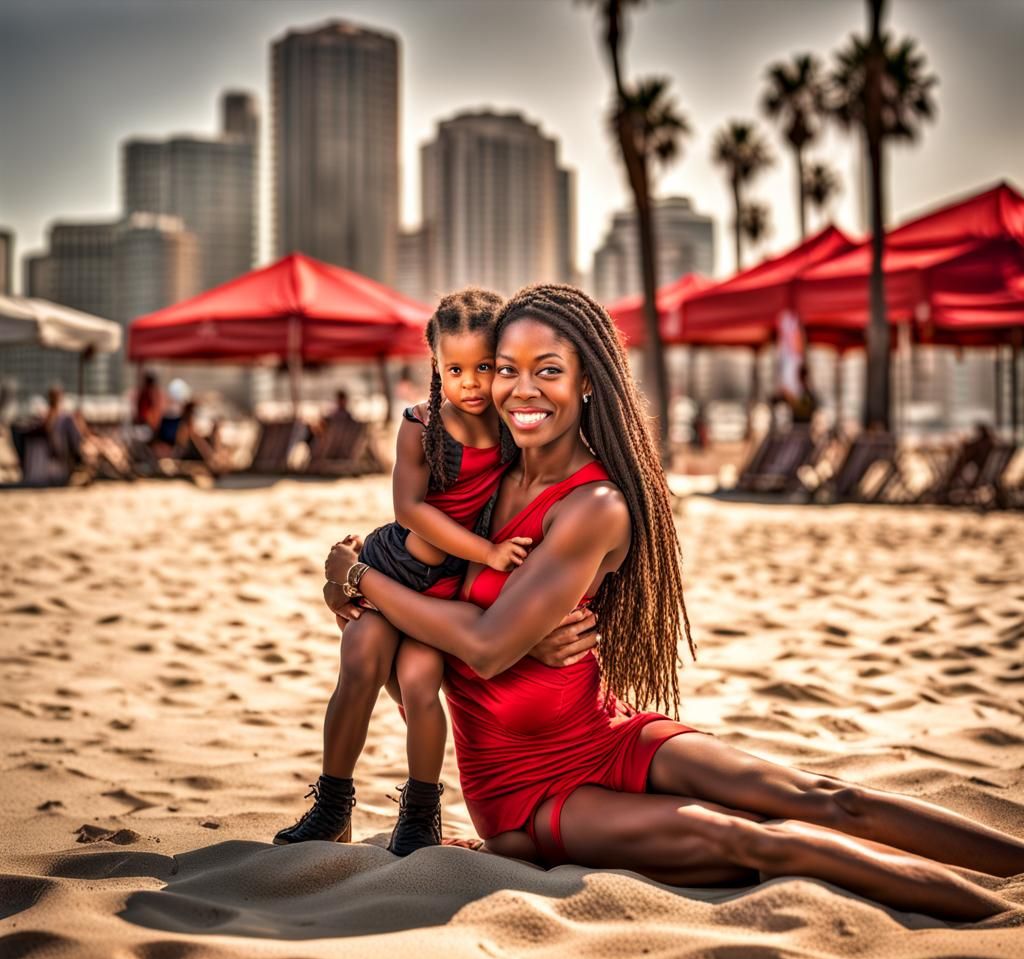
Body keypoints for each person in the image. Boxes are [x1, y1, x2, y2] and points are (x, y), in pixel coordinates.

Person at [322, 284, 1023, 921]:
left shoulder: (594, 505)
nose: (520, 389)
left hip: (607, 733)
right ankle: (1003, 924)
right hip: (533, 793)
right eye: (507, 367)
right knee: (762, 840)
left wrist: (362, 582)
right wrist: (352, 578)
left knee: (831, 799)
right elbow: (423, 578)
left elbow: (481, 643)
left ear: (590, 381)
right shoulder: (482, 476)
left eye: (549, 370)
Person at [275, 288, 537, 856]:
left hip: (441, 591)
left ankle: (420, 814)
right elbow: (409, 510)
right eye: (455, 368)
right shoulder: (420, 425)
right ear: (436, 366)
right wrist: (486, 553)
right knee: (360, 661)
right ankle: (332, 807)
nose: (470, 382)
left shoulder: (513, 428)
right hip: (393, 567)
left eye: (485, 367)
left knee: (421, 685)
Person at [789, 363, 819, 427]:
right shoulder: (797, 390)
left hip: (806, 424)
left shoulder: (809, 393)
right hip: (797, 425)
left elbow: (806, 410)